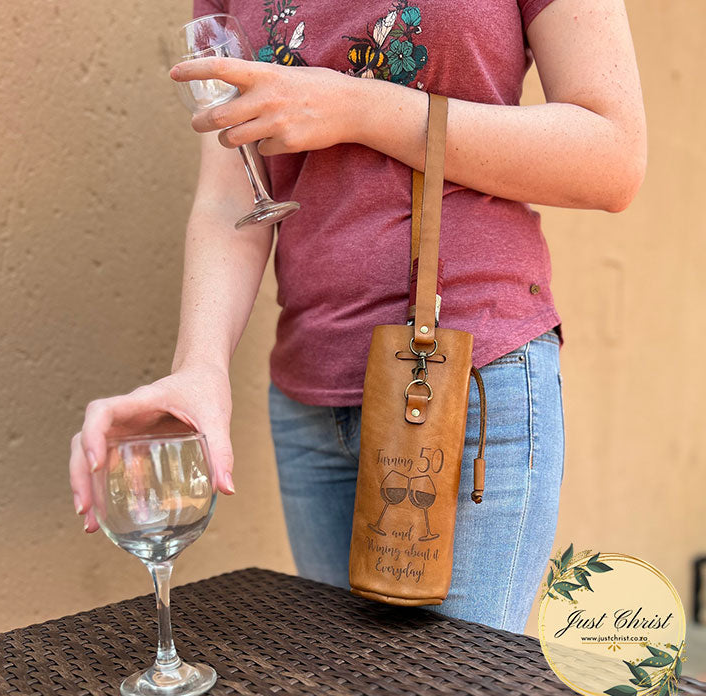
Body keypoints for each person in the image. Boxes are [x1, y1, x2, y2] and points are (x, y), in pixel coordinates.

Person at [68, 0, 646, 633]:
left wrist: (359, 108)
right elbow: (231, 191)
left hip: (468, 384)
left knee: (454, 695)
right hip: (309, 398)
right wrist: (198, 367)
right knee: (346, 690)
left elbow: (611, 157)